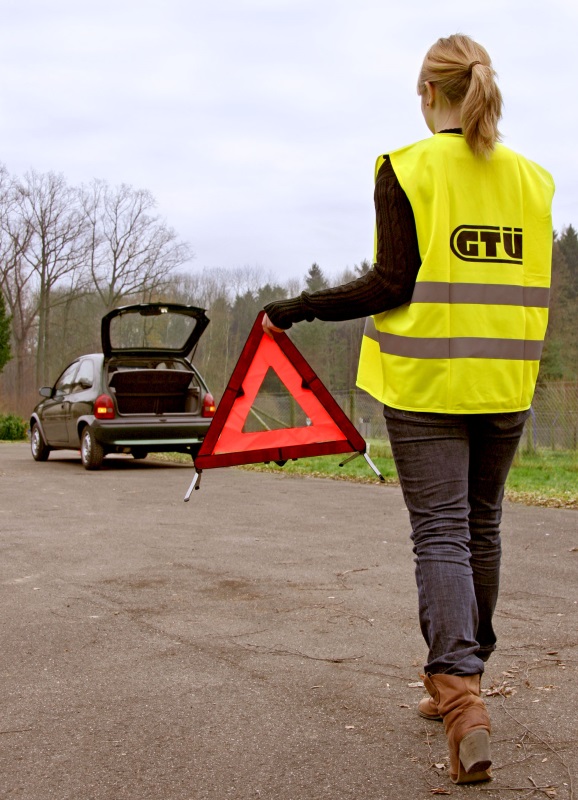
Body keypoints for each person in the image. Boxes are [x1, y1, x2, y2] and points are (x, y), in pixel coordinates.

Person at [262, 34, 554, 784]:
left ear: (429, 94)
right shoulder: (535, 181)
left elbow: (390, 282)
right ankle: (465, 680)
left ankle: (460, 696)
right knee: (481, 526)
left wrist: (293, 309)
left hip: (427, 386)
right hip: (507, 387)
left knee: (441, 535)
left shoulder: (406, 168)